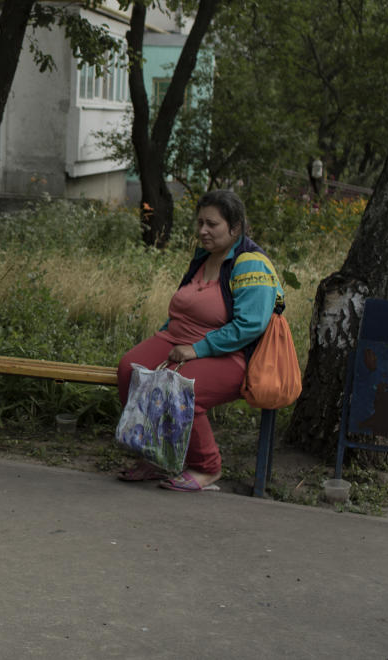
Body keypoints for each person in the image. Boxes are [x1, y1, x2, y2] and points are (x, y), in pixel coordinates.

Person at [116, 189, 283, 492]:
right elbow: (187, 303)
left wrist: (197, 349)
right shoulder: (203, 257)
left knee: (178, 386)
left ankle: (208, 467)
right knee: (130, 368)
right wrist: (167, 334)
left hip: (230, 353)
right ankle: (156, 458)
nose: (203, 231)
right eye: (200, 223)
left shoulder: (251, 264)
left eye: (212, 224)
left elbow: (251, 325)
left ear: (235, 228)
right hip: (178, 338)